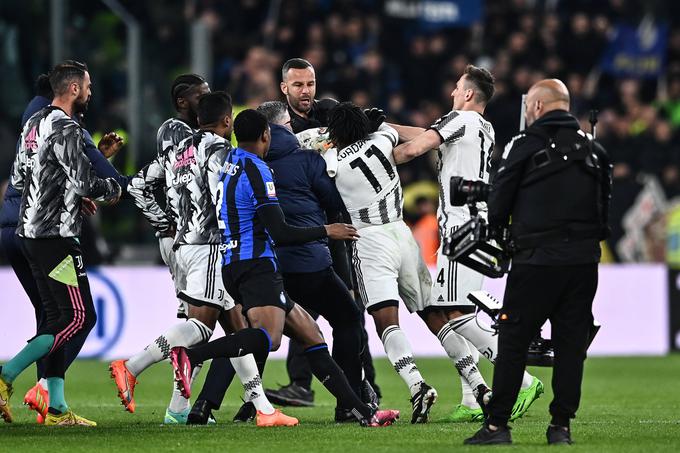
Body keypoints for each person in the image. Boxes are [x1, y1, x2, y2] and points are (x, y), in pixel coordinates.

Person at [169, 109, 399, 427]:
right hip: (270, 264)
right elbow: (294, 225)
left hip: (238, 262)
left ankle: (360, 411)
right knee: (272, 336)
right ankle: (191, 357)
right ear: (268, 133)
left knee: (308, 335)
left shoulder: (229, 162)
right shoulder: (268, 167)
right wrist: (328, 231)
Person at [326, 102, 494, 423]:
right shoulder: (383, 139)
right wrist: (378, 125)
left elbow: (317, 151)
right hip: (403, 234)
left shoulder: (331, 161)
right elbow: (413, 137)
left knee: (386, 321)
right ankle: (479, 384)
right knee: (435, 315)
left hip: (370, 240)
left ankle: (417, 385)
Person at [392, 65, 542, 422]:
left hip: (464, 227)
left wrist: (379, 155)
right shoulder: (481, 126)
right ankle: (471, 399)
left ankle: (522, 379)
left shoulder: (460, 119)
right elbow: (429, 132)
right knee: (449, 311)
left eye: (457, 88)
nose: (453, 93)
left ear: (469, 94)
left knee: (457, 315)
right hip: (472, 225)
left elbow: (416, 149)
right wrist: (387, 128)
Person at [464, 79, 611, 445]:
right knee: (570, 345)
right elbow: (605, 213)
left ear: (540, 107)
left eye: (530, 105)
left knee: (514, 341)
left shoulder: (524, 145)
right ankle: (561, 426)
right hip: (583, 263)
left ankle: (497, 426)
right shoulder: (596, 151)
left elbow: (498, 204)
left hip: (535, 262)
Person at [0, 71, 127, 424]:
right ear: (73, 89)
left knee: (57, 318)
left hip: (29, 231)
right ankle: (6, 376)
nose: (90, 91)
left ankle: (55, 406)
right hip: (54, 236)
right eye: (87, 86)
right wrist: (116, 190)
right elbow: (87, 181)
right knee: (80, 317)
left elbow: (24, 175)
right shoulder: (67, 128)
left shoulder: (33, 124)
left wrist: (66, 194)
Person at [267, 57, 381, 408]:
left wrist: (368, 125)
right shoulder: (274, 124)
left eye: (310, 84)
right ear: (284, 88)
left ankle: (364, 385)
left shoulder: (330, 112)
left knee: (349, 307)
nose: (306, 92)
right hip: (299, 229)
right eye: (298, 85)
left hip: (335, 225)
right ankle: (302, 386)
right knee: (302, 314)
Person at [123, 74, 212, 423]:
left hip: (187, 238)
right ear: (182, 102)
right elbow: (187, 175)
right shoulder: (176, 132)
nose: (204, 101)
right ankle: (142, 374)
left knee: (201, 320)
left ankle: (180, 408)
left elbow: (141, 185)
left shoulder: (187, 139)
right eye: (199, 96)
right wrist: (166, 222)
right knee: (202, 322)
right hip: (189, 240)